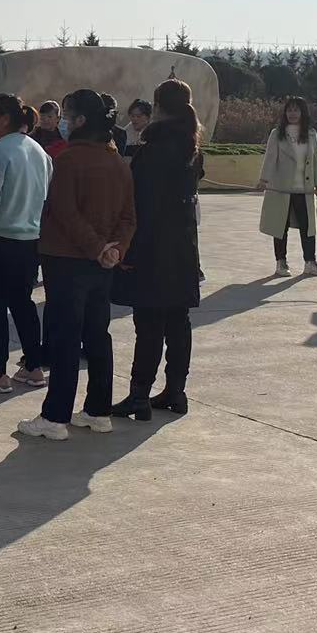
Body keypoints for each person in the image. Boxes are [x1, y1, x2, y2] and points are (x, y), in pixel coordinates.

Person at [17, 89, 135, 441]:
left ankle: (55, 416)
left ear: (81, 120)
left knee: (65, 337)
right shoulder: (117, 161)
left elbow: (65, 212)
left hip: (67, 260)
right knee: (97, 335)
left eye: (67, 115)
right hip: (103, 262)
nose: (63, 121)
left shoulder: (69, 159)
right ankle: (98, 411)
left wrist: (96, 247)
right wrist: (114, 250)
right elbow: (129, 216)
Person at [113, 79, 203, 419]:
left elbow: (142, 206)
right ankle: (176, 391)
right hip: (182, 246)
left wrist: (129, 250)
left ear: (159, 107)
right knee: (178, 322)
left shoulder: (153, 150)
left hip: (152, 245)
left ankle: (139, 394)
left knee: (149, 324)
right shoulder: (191, 149)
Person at [0, 93, 51, 395]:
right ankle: (33, 366)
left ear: (4, 119)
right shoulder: (38, 151)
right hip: (30, 239)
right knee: (23, 303)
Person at [258, 96, 317, 278]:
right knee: (280, 226)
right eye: (289, 110)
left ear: (303, 112)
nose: (292, 113)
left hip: (304, 190)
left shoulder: (311, 134)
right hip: (282, 189)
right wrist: (263, 180)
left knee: (308, 227)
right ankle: (281, 262)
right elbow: (270, 158)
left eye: (296, 110)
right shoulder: (277, 134)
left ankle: (310, 263)